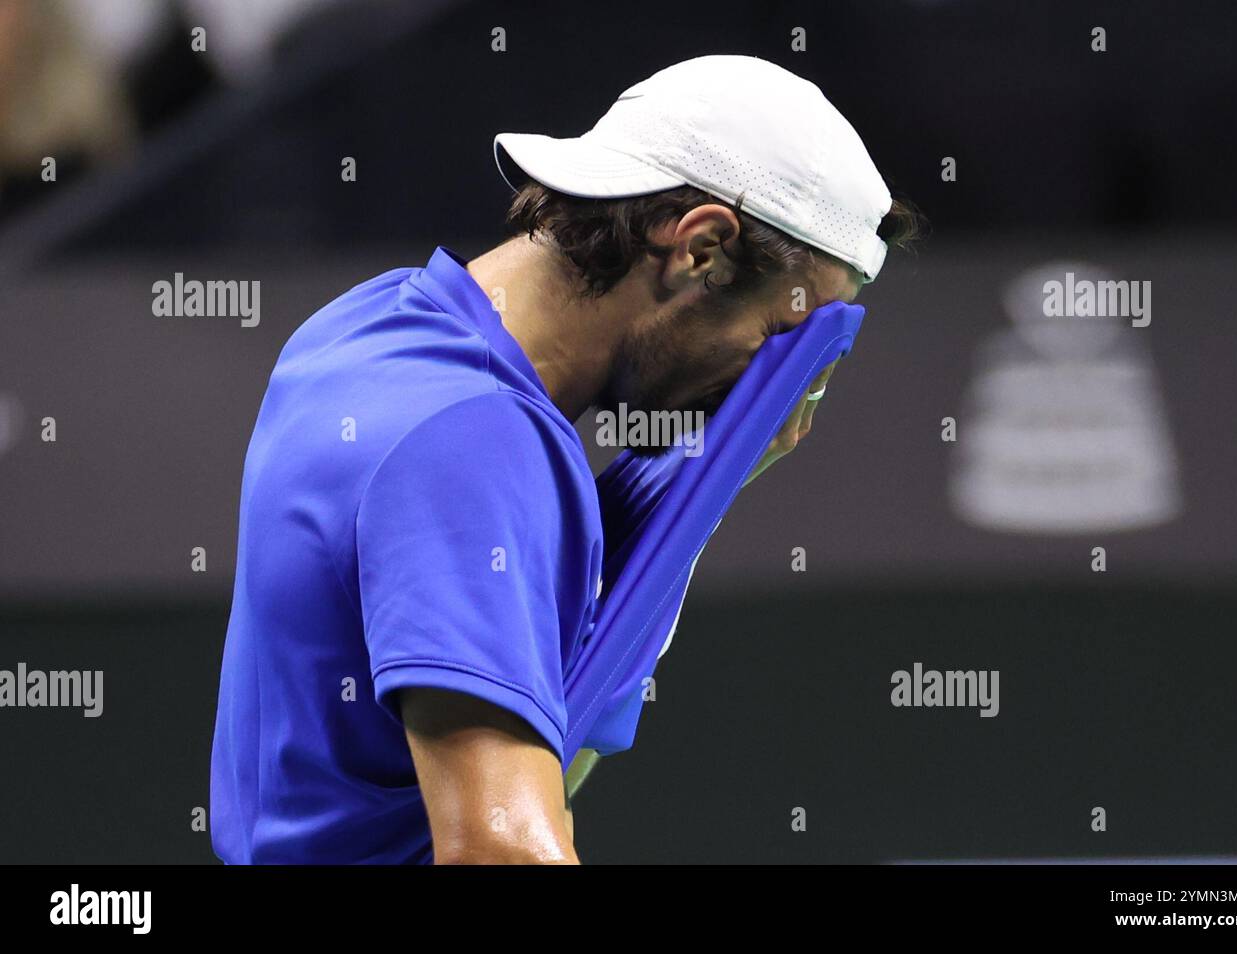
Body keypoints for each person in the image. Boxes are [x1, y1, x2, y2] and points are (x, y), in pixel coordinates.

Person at [210, 54, 920, 864]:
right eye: (772, 343)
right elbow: (500, 848)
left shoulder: (371, 325)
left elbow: (544, 763)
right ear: (701, 250)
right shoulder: (475, 444)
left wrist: (696, 498)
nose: (769, 402)